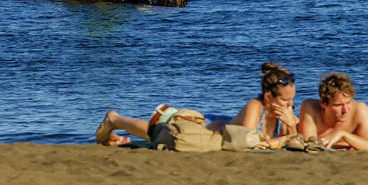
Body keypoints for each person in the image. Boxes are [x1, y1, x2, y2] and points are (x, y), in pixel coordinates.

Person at [94, 62, 297, 146]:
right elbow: (248, 142)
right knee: (156, 132)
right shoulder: (256, 106)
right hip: (201, 127)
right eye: (285, 100)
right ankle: (114, 119)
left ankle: (116, 123)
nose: (290, 104)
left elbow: (293, 139)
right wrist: (283, 139)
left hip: (217, 129)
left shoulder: (284, 110)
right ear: (268, 97)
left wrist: (291, 125)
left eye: (292, 99)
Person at [298, 73, 368, 150]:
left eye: (348, 102)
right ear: (323, 103)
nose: (345, 109)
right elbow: (309, 146)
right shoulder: (310, 107)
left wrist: (342, 134)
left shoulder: (360, 109)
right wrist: (351, 143)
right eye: (338, 105)